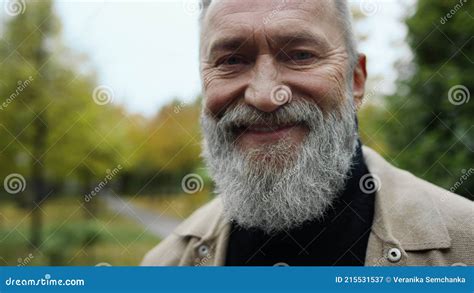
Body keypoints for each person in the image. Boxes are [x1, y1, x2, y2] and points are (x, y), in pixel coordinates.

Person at [142, 0, 474, 266]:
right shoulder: (165, 266)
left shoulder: (465, 247)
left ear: (356, 80)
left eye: (300, 55)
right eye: (231, 60)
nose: (265, 96)